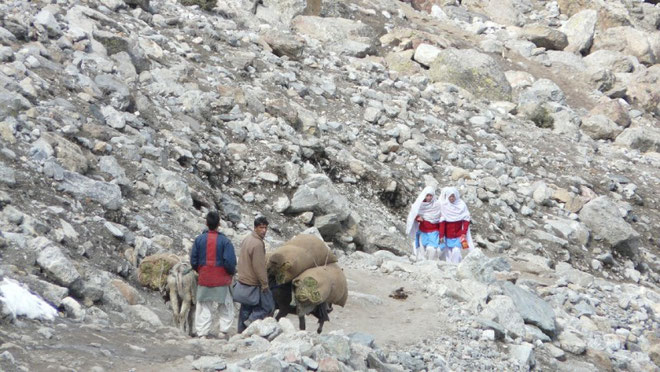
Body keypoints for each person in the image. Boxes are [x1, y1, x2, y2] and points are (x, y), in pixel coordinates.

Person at [190, 211, 237, 339]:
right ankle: (223, 331)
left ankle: (202, 333)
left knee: (204, 305)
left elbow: (193, 261)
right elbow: (230, 262)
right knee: (225, 305)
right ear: (219, 224)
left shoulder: (199, 240)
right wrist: (230, 272)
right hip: (222, 279)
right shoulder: (225, 241)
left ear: (206, 223)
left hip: (204, 278)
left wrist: (200, 270)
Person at [236, 216, 274, 333]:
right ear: (255, 228)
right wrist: (264, 284)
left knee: (246, 307)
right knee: (268, 306)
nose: (264, 230)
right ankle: (251, 321)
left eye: (265, 228)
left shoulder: (247, 239)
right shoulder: (257, 244)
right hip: (253, 282)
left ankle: (241, 331)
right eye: (261, 227)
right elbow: (259, 267)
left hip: (243, 279)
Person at [438, 187, 475, 264]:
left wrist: (464, 233)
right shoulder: (444, 206)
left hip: (458, 235)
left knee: (456, 251)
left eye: (453, 196)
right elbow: (442, 222)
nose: (452, 198)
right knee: (448, 253)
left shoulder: (461, 205)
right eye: (450, 196)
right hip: (448, 236)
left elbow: (466, 220)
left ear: (456, 196)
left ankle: (455, 266)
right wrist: (441, 236)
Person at [406, 186, 443, 261]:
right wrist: (418, 218)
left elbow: (441, 219)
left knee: (432, 249)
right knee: (422, 250)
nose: (429, 197)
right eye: (427, 195)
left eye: (430, 196)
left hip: (434, 231)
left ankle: (431, 264)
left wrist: (441, 234)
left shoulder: (437, 205)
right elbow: (414, 213)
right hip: (423, 232)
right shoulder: (420, 205)